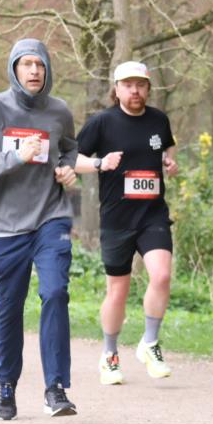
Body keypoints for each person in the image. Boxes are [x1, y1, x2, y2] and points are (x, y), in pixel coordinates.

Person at [0, 39, 79, 420]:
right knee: (10, 307)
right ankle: (7, 385)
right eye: (26, 64)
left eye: (40, 65)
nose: (34, 71)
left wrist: (67, 168)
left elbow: (69, 149)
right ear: (14, 69)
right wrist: (16, 157)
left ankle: (55, 388)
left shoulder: (59, 111)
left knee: (56, 292)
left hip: (51, 216)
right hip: (5, 225)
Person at [75, 61, 179, 385]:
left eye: (140, 85)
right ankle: (109, 354)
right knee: (117, 291)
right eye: (128, 85)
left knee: (161, 275)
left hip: (152, 215)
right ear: (116, 89)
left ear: (148, 88)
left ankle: (149, 342)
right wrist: (99, 162)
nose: (135, 91)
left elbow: (168, 147)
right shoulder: (102, 123)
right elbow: (71, 158)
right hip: (117, 219)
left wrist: (169, 160)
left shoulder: (158, 120)